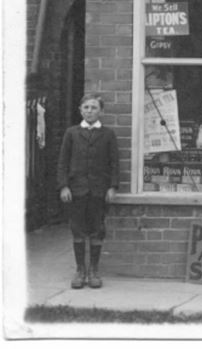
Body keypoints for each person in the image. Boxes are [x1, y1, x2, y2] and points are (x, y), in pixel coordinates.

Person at [57, 94, 119, 289]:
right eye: (86, 107)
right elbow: (63, 162)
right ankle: (79, 271)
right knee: (77, 229)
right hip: (76, 190)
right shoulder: (72, 133)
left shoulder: (108, 134)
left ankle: (93, 270)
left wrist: (112, 186)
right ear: (80, 110)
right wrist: (64, 186)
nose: (90, 111)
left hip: (99, 191)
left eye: (94, 108)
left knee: (97, 230)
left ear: (101, 111)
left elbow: (114, 162)